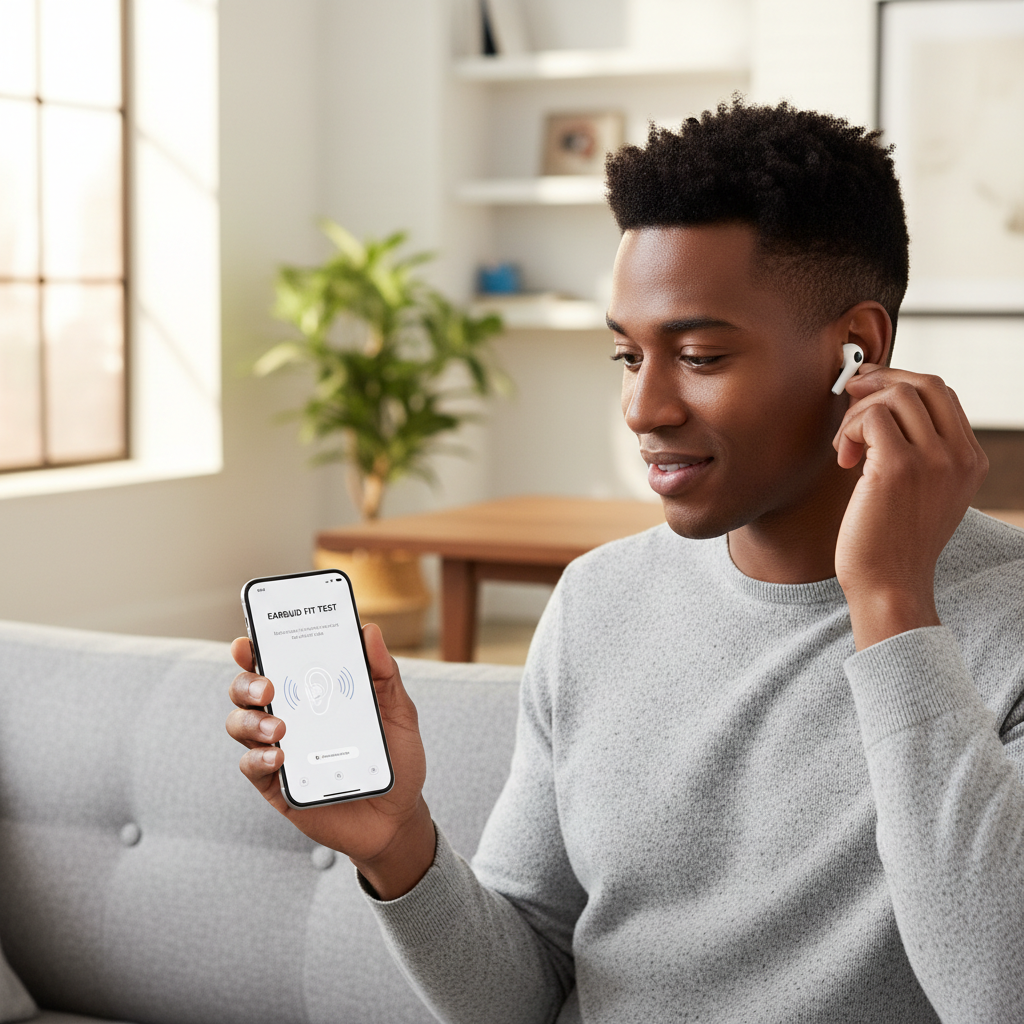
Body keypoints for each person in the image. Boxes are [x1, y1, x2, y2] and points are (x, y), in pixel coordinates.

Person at [226, 98, 1024, 1023]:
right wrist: (397, 845)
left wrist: (889, 601)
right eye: (627, 355)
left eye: (700, 355)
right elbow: (521, 998)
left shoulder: (1004, 624)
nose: (644, 408)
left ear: (860, 350)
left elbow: (998, 992)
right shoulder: (597, 600)